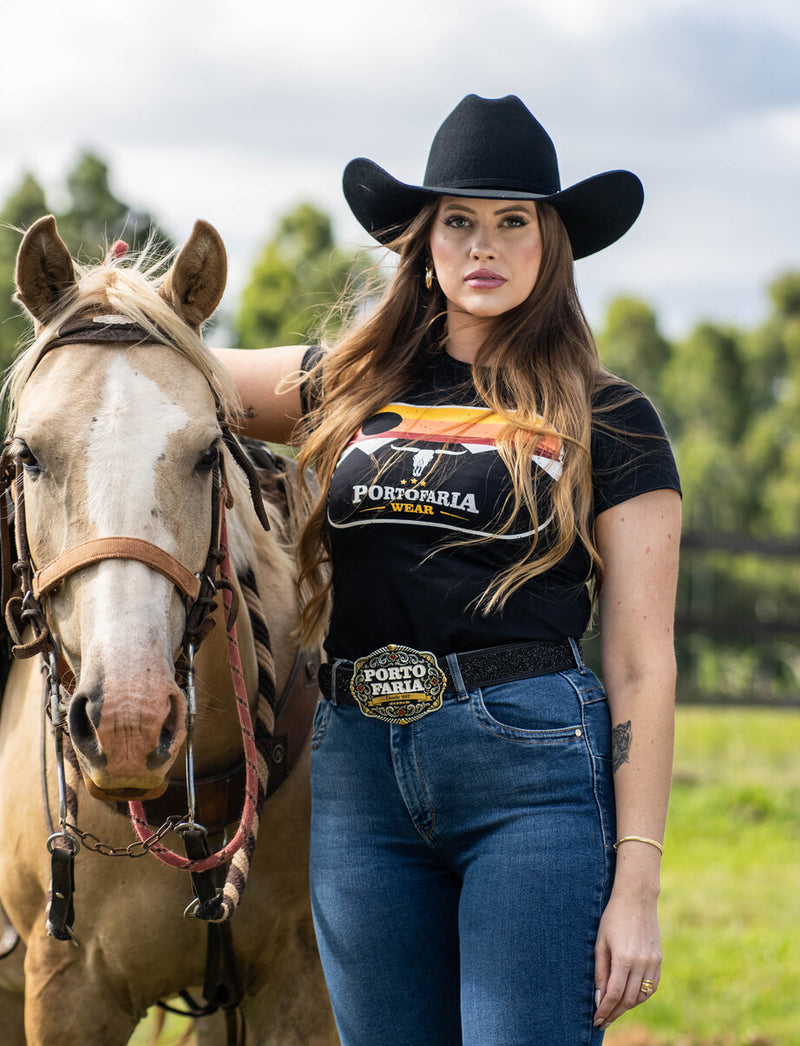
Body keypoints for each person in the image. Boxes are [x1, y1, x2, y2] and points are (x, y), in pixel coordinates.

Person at [215, 94, 681, 1046]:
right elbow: (169, 369)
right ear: (422, 242)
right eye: (459, 221)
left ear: (552, 243)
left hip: (532, 776)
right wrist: (100, 311)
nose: (485, 246)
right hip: (358, 780)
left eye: (515, 222)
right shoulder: (346, 384)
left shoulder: (612, 418)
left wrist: (636, 884)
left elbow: (642, 663)